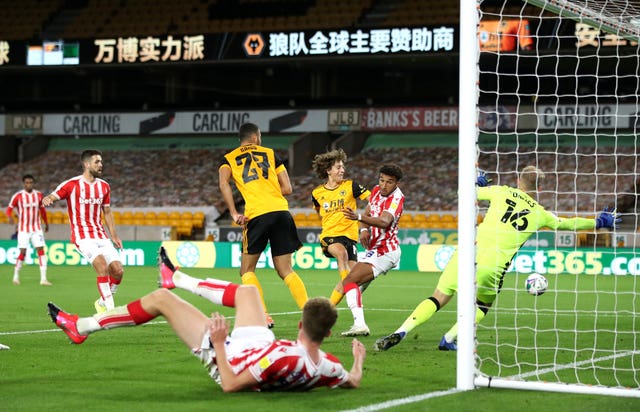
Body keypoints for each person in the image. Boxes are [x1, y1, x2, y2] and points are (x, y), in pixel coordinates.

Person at [48, 247, 366, 392]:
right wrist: (357, 360)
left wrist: (217, 343)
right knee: (248, 294)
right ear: (328, 333)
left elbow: (230, 385)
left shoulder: (283, 360)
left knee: (161, 300)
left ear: (300, 324)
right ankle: (176, 277)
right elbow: (351, 380)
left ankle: (82, 326)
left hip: (229, 357)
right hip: (260, 346)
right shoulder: (329, 364)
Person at [374, 166, 620, 352]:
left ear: (518, 181)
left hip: (468, 253)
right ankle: (449, 339)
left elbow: (465, 192)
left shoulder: (502, 191)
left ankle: (401, 330)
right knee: (482, 305)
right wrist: (598, 222)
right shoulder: (540, 213)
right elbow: (566, 224)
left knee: (438, 297)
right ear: (541, 188)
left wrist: (475, 182)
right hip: (493, 266)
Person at [219, 122, 308, 327]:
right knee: (286, 270)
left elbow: (223, 183)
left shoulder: (228, 159)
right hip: (281, 211)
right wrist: (268, 189)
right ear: (255, 137)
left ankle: (263, 315)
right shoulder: (270, 153)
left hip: (257, 214)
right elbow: (287, 188)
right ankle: (308, 311)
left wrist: (233, 212)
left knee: (246, 270)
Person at [42, 149, 124, 313]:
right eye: (97, 162)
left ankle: (102, 302)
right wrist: (48, 199)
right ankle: (111, 310)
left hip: (101, 235)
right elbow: (54, 195)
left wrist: (114, 235)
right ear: (86, 164)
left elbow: (107, 212)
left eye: (101, 162)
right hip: (82, 237)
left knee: (118, 271)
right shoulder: (71, 185)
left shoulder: (104, 186)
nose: (101, 165)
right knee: (102, 267)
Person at [340, 164, 405, 337]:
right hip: (374, 250)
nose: (384, 185)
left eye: (389, 182)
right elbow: (369, 210)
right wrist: (363, 229)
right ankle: (356, 323)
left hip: (385, 251)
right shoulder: (376, 190)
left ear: (397, 183)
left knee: (348, 282)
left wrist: (359, 218)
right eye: (381, 180)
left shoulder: (396, 199)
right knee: (354, 289)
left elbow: (384, 222)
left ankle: (360, 325)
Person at [311, 149, 370, 305]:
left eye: (343, 167)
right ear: (328, 170)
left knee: (358, 277)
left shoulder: (352, 186)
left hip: (350, 238)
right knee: (342, 254)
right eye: (338, 167)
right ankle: (352, 293)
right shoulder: (317, 193)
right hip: (330, 237)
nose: (342, 170)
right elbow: (319, 213)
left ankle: (327, 309)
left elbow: (374, 200)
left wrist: (364, 222)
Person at [6, 174, 51, 286]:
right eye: (27, 182)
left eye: (31, 182)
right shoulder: (18, 196)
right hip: (23, 229)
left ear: (33, 183)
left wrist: (46, 223)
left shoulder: (39, 195)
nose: (29, 184)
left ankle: (43, 279)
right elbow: (9, 209)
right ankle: (16, 276)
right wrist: (10, 217)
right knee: (23, 252)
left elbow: (43, 211)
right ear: (23, 183)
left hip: (36, 228)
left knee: (41, 251)